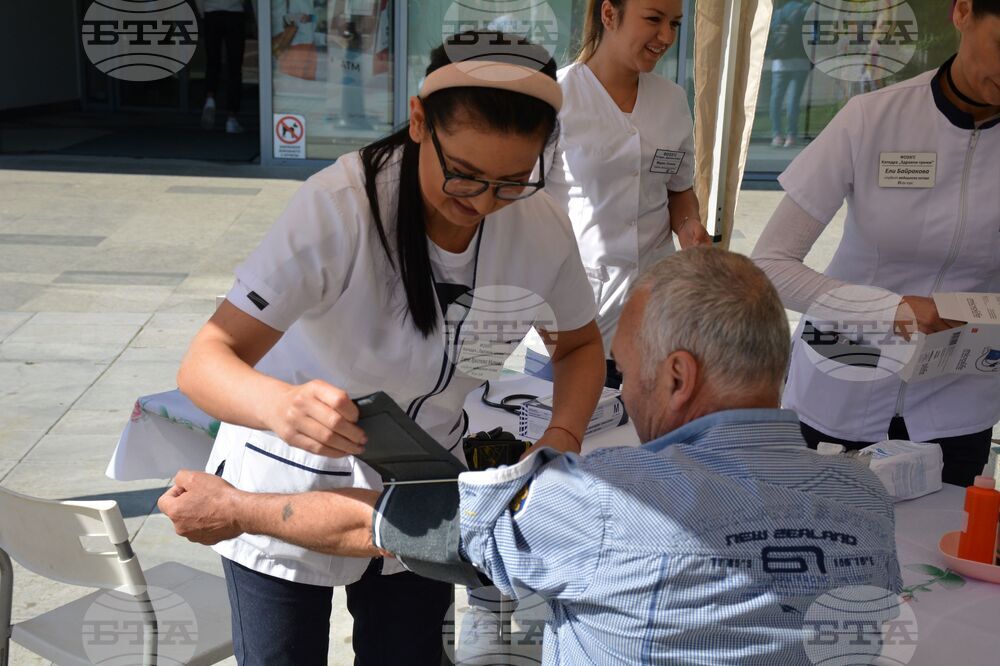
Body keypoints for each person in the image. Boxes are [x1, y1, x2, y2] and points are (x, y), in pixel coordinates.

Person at [160, 248, 903, 665]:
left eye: (626, 368)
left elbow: (393, 522)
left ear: (677, 377)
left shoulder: (605, 501)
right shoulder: (867, 501)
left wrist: (236, 509)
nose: (624, 388)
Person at [175, 33, 605, 665]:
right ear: (417, 121)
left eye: (511, 181)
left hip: (423, 485)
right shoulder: (338, 208)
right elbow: (205, 362)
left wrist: (563, 434)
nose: (481, 203)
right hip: (288, 485)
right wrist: (279, 406)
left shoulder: (539, 226)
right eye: (462, 174)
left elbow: (579, 346)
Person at [752, 0, 1000, 487]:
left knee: (935, 556)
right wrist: (892, 310)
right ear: (963, 12)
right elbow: (770, 265)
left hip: (959, 400)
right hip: (843, 384)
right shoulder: (872, 118)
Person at [538, 0, 712, 388]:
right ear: (609, 14)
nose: (666, 37)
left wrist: (689, 227)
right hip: (575, 316)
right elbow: (523, 210)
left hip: (655, 320)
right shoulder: (557, 97)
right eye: (653, 19)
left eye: (675, 24)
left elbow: (679, 190)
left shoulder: (671, 101)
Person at [766, 0, 810, 147]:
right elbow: (811, 35)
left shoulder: (779, 12)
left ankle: (777, 135)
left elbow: (771, 35)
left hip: (780, 63)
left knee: (776, 100)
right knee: (793, 100)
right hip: (800, 62)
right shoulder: (805, 10)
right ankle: (791, 136)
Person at [200, 0, 247, 134]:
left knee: (212, 61)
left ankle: (210, 99)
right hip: (235, 13)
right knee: (234, 67)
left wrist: (204, 10)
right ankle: (231, 118)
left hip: (211, 13)